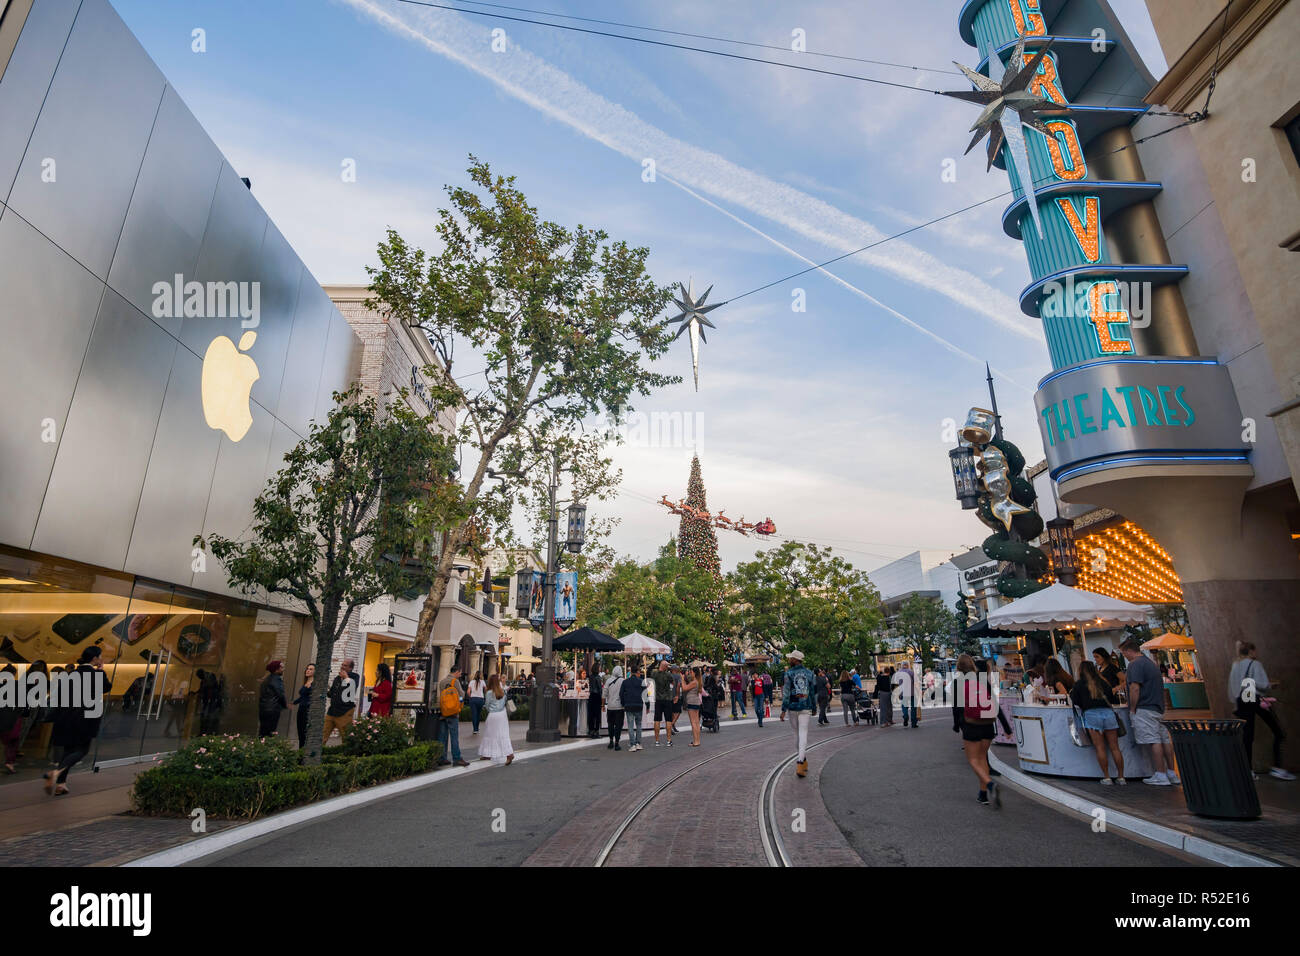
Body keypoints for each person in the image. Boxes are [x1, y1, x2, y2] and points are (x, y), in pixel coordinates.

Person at [45, 646, 108, 796]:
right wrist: (100, 672)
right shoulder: (95, 674)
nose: (100, 659)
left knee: (68, 751)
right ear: (94, 659)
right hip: (84, 718)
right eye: (99, 657)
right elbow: (105, 687)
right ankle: (56, 773)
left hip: (65, 717)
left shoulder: (71, 674)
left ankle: (61, 784)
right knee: (82, 750)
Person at [1118, 636, 1179, 786]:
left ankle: (1160, 774)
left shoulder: (1135, 665)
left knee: (1153, 741)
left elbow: (1135, 687)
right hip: (1158, 708)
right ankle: (1172, 772)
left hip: (1144, 708)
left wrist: (1132, 707)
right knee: (1164, 739)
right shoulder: (1150, 663)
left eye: (1123, 653)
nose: (1124, 656)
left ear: (1129, 651)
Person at [1229, 642, 1295, 780]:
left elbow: (1233, 687)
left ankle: (1248, 770)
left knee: (1247, 736)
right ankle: (1278, 767)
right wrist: (1272, 685)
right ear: (1252, 651)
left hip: (1242, 701)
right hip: (1255, 699)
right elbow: (1263, 685)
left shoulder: (1235, 665)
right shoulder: (1255, 664)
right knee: (1278, 731)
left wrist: (1237, 702)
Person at [952, 654, 999, 808]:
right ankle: (983, 794)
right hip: (987, 723)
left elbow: (957, 708)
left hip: (971, 724)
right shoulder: (981, 680)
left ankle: (989, 784)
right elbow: (994, 702)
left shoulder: (958, 683)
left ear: (959, 667)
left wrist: (957, 724)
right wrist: (1005, 726)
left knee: (973, 760)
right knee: (982, 758)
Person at [1072, 660, 1125, 785]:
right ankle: (1121, 777)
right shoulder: (1103, 683)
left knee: (1100, 748)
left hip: (1091, 715)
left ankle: (1107, 777)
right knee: (1115, 747)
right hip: (1108, 714)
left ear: (1080, 671)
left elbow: (1075, 701)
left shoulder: (1079, 684)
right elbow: (1112, 698)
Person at [780, 651, 815, 777]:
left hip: (793, 707)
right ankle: (802, 761)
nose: (789, 660)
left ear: (795, 660)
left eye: (791, 658)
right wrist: (814, 706)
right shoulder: (810, 673)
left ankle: (801, 761)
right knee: (803, 733)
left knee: (796, 734)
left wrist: (783, 710)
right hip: (805, 706)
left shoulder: (788, 673)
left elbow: (786, 693)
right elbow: (812, 692)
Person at [436, 665, 471, 767]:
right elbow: (461, 695)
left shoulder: (442, 682)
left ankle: (441, 757)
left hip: (443, 711)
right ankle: (457, 758)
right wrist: (459, 704)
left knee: (442, 736)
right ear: (457, 672)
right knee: (454, 736)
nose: (460, 675)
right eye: (460, 673)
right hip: (453, 712)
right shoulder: (455, 682)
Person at [477, 673, 514, 766]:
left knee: (489, 734)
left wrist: (490, 710)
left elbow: (487, 705)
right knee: (503, 735)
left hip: (493, 715)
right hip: (502, 715)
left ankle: (487, 754)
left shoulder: (489, 693)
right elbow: (505, 702)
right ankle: (509, 754)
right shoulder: (503, 691)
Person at [322, 659, 359, 746]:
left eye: (345, 665)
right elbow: (331, 693)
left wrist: (346, 678)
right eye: (342, 665)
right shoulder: (337, 678)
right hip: (332, 711)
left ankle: (347, 755)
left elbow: (353, 688)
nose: (342, 667)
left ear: (350, 668)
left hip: (344, 711)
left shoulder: (355, 677)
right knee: (323, 733)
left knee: (346, 736)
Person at [258, 660, 287, 737]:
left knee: (263, 732)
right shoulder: (276, 679)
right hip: (272, 709)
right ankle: (266, 748)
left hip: (263, 709)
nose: (283, 669)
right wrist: (285, 705)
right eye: (281, 667)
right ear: (276, 669)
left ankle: (260, 746)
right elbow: (280, 694)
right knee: (269, 733)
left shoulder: (267, 679)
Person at [621, 665, 645, 751]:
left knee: (630, 726)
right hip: (639, 705)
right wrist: (648, 705)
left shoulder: (625, 682)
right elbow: (645, 694)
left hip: (629, 705)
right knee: (639, 725)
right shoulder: (641, 682)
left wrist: (623, 704)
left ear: (630, 672)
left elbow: (621, 694)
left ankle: (632, 744)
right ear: (637, 671)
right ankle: (638, 743)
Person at [651, 661, 676, 747]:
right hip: (667, 699)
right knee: (668, 720)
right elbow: (673, 683)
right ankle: (668, 740)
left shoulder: (654, 674)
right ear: (665, 667)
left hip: (658, 699)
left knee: (657, 719)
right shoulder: (668, 675)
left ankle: (657, 741)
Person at [602, 665, 626, 750]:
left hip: (610, 707)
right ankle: (617, 743)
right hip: (620, 708)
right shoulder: (623, 681)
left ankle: (611, 741)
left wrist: (603, 705)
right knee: (618, 725)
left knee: (610, 724)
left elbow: (604, 694)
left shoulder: (608, 681)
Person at [293, 663, 314, 749]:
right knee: (301, 732)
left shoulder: (315, 683)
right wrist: (293, 703)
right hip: (301, 710)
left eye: (311, 669)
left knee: (305, 733)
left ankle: (304, 755)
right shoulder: (306, 682)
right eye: (307, 668)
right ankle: (301, 752)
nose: (308, 670)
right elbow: (303, 697)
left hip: (308, 711)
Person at [681, 666, 703, 746]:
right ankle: (698, 740)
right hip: (696, 702)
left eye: (691, 672)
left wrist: (682, 679)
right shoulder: (698, 681)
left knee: (693, 722)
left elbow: (684, 688)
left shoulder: (694, 682)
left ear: (694, 673)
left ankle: (695, 741)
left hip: (692, 702)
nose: (690, 673)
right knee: (696, 722)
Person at [586, 665, 603, 738]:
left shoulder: (590, 676)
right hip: (597, 697)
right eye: (599, 667)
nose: (600, 669)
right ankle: (596, 731)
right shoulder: (598, 677)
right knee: (597, 715)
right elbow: (600, 688)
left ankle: (591, 730)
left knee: (591, 715)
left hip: (591, 696)